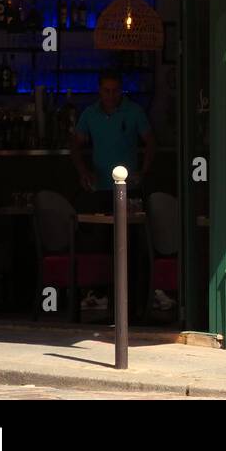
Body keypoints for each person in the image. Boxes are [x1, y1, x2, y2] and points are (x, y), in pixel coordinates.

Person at [70, 72, 157, 312]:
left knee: (133, 246)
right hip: (100, 189)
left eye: (115, 90)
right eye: (106, 90)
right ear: (100, 91)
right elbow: (75, 145)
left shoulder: (134, 111)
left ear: (121, 91)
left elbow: (150, 141)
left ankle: (135, 302)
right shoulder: (90, 113)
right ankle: (103, 296)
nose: (111, 95)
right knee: (102, 245)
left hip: (129, 190)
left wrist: (143, 171)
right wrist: (83, 171)